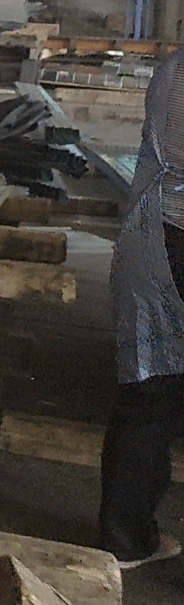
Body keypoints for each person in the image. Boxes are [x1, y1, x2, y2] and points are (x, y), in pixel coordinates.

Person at [100, 47, 184, 568]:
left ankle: (126, 540)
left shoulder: (174, 68)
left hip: (156, 236)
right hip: (168, 234)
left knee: (150, 392)